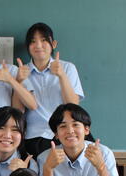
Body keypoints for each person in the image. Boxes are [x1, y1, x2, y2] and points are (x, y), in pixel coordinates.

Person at [21, 23, 84, 158]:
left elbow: (73, 105)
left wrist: (61, 75)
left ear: (53, 44)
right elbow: (21, 109)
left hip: (66, 132)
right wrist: (18, 81)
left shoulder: (67, 68)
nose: (38, 45)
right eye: (33, 41)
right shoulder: (22, 71)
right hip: (35, 135)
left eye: (44, 40)